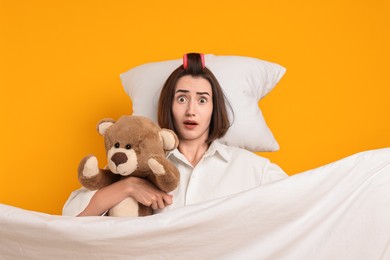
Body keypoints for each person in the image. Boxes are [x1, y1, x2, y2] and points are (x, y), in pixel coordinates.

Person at [62, 53, 288, 216]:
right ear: (168, 106)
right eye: (182, 98)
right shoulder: (139, 165)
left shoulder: (250, 168)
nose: (191, 110)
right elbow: (71, 218)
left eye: (202, 100)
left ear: (213, 108)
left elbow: (302, 202)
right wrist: (128, 186)